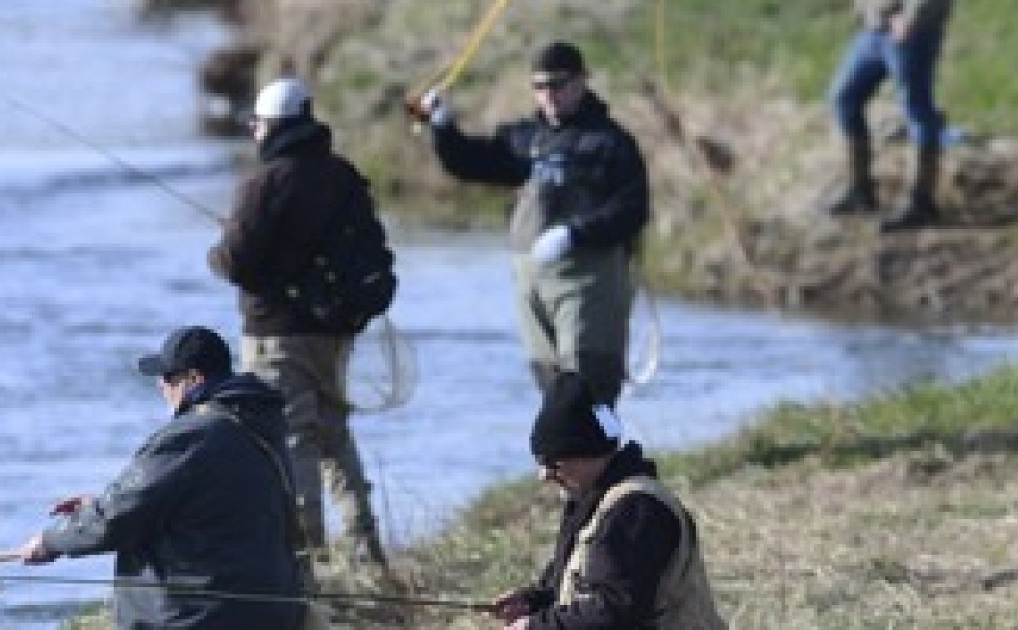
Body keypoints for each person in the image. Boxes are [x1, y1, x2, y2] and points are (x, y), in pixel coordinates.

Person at [207, 76, 392, 565]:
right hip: (336, 333)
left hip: (275, 337)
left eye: (257, 123)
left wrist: (219, 244)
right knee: (334, 435)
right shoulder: (342, 175)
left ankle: (306, 561)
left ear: (273, 126)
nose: (252, 130)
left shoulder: (264, 183)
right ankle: (364, 552)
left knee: (292, 442)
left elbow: (234, 262)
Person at [18, 326, 304, 630]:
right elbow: (201, 505)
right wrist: (94, 505)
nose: (160, 387)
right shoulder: (257, 423)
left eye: (168, 378)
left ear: (194, 380)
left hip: (200, 616)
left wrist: (51, 541)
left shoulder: (193, 435)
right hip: (265, 610)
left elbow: (118, 516)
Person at [415, 41, 649, 406]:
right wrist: (443, 127)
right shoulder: (524, 139)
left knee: (589, 378)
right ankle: (561, 461)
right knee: (551, 382)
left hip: (590, 279)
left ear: (582, 82)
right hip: (532, 280)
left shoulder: (610, 143)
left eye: (558, 84)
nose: (549, 95)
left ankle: (606, 457)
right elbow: (471, 163)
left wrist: (576, 233)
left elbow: (633, 208)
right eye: (540, 87)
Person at [490, 373, 726, 629]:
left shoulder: (636, 513)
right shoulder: (593, 501)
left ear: (588, 453)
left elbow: (616, 613)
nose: (544, 476)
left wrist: (537, 626)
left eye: (553, 463)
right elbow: (580, 588)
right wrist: (534, 602)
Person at [825, 0, 953, 231]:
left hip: (910, 32)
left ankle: (921, 203)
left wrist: (912, 19)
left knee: (918, 111)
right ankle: (860, 190)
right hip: (875, 29)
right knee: (845, 97)